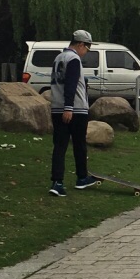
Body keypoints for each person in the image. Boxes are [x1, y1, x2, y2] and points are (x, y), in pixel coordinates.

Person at [49, 29, 99, 196]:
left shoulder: (59, 58)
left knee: (59, 146)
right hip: (75, 109)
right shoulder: (74, 59)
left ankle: (57, 181)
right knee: (79, 145)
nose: (87, 52)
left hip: (56, 107)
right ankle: (81, 178)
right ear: (80, 44)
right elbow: (70, 84)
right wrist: (69, 107)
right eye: (87, 48)